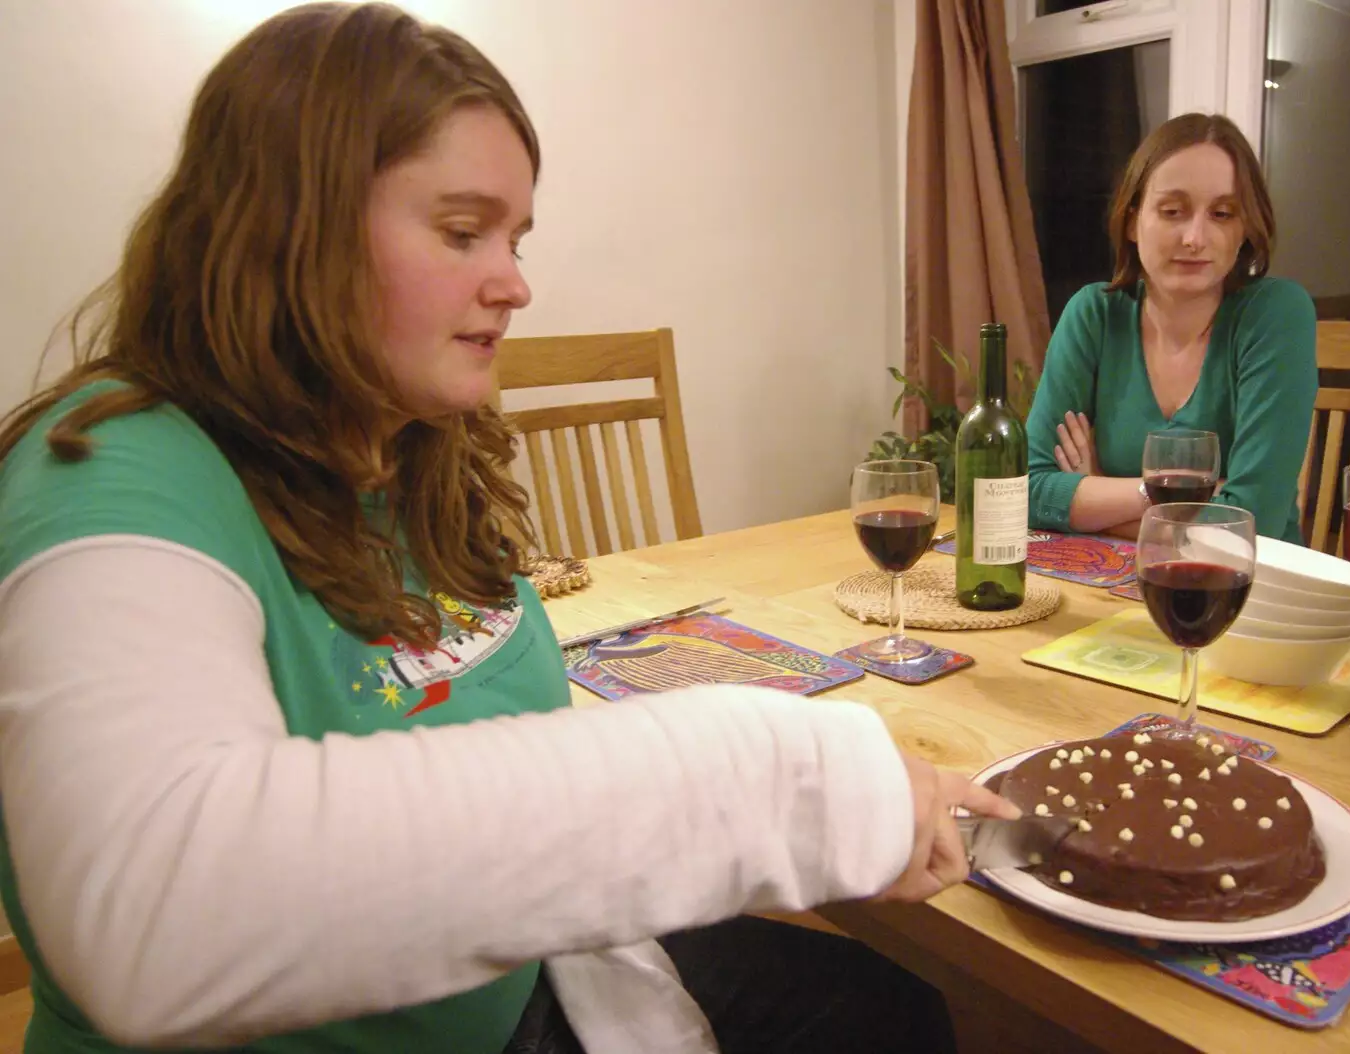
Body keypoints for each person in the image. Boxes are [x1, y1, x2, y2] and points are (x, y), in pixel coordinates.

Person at [0, 5, 1018, 1053]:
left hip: (525, 974)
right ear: (286, 224)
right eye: (460, 231)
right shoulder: (111, 468)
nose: (514, 283)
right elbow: (157, 906)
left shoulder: (406, 452)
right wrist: (776, 779)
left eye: (515, 238)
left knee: (890, 1012)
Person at [1026, 112, 1317, 543]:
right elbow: (1029, 491)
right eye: (1172, 211)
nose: (1195, 237)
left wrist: (1097, 493)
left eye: (1221, 213)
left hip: (1248, 591)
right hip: (1105, 588)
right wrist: (1167, 494)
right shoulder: (1093, 314)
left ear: (1245, 228)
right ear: (1131, 220)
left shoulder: (1275, 313)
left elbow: (1250, 522)